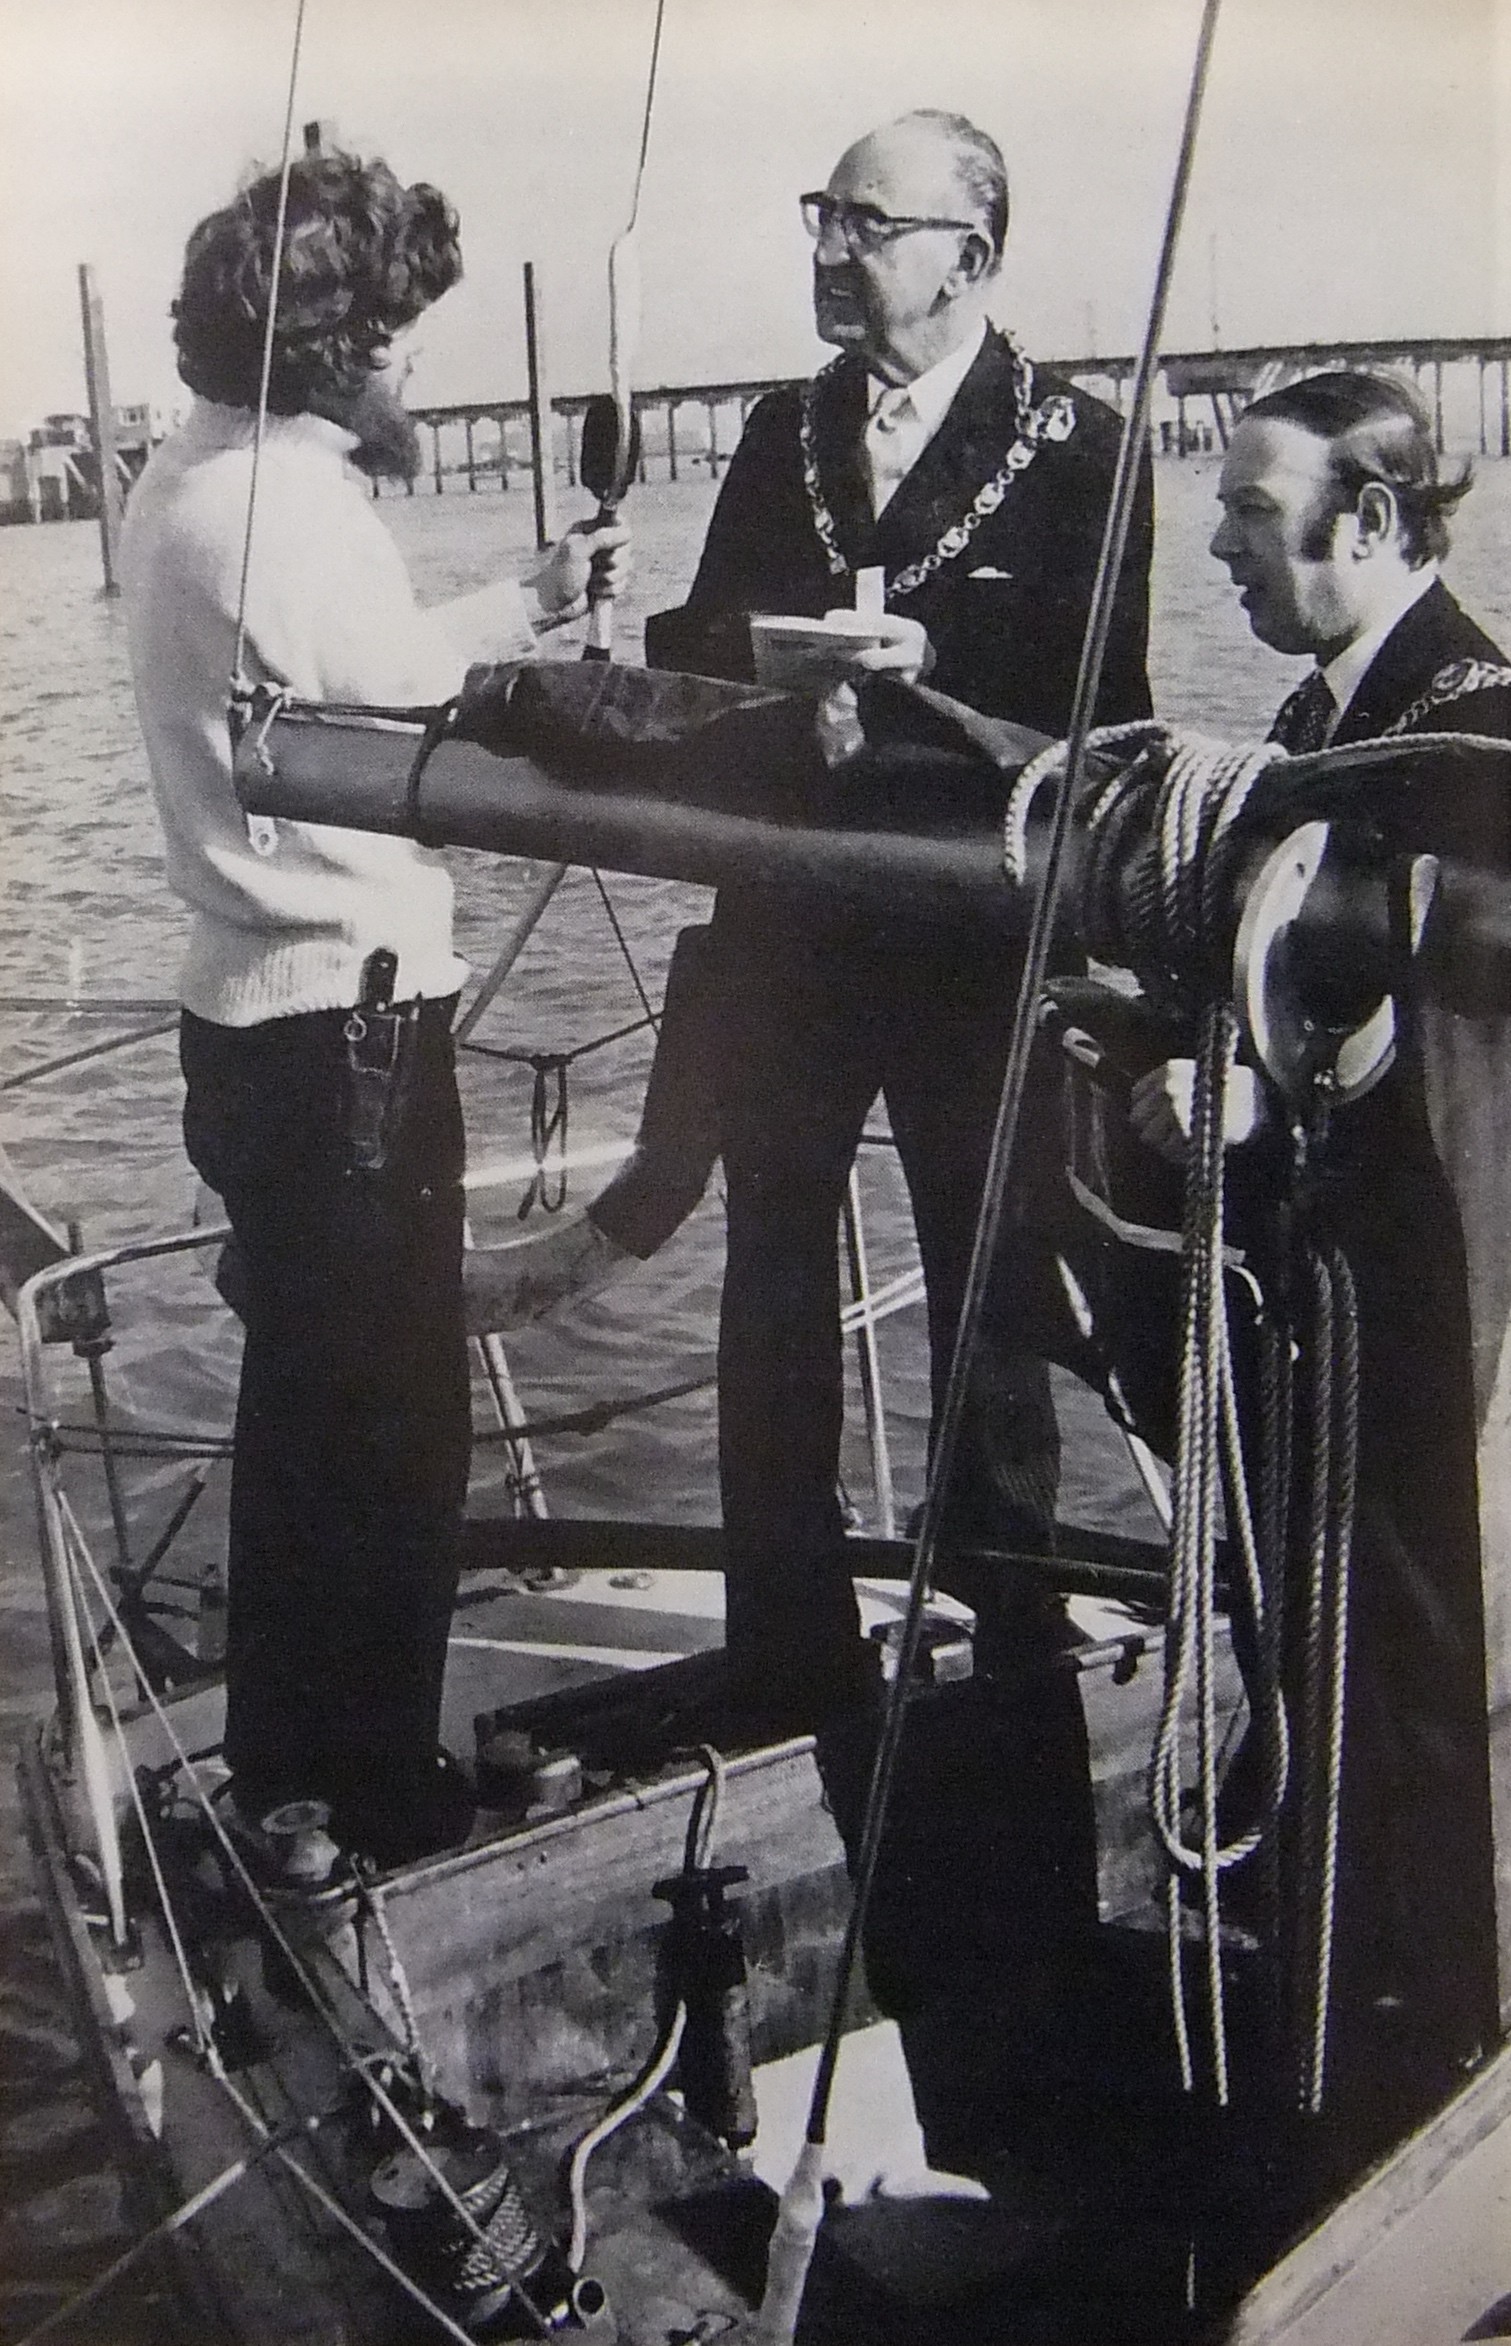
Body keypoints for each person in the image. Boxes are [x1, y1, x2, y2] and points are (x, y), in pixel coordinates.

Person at [120, 145, 629, 1873]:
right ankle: (383, 1799)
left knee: (308, 1412)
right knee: (397, 1423)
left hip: (258, 1023)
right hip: (347, 1027)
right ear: (329, 344)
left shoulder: (192, 475)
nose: (410, 364)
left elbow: (353, 669)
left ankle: (293, 1781)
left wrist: (517, 603)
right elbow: (402, 685)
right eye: (394, 333)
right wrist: (548, 621)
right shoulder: (280, 500)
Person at [629, 108, 1154, 1737]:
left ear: (968, 256)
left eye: (865, 223)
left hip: (971, 944)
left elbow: (1107, 717)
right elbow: (692, 644)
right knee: (772, 1273)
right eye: (824, 215)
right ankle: (783, 1645)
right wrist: (774, 676)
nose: (829, 249)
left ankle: (1013, 1632)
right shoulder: (780, 433)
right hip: (787, 936)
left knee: (991, 1277)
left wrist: (933, 682)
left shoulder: (1081, 453)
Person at [1132, 369, 1509, 2210]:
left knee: (1419, 1684)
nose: (1214, 545)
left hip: (1422, 1318)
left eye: (1246, 512)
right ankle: (1335, 2033)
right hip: (1326, 1296)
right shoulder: (1321, 721)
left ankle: (1429, 2073)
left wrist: (1261, 1091)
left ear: (1365, 522)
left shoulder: (1474, 738)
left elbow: (1453, 1048)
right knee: (1317, 1656)